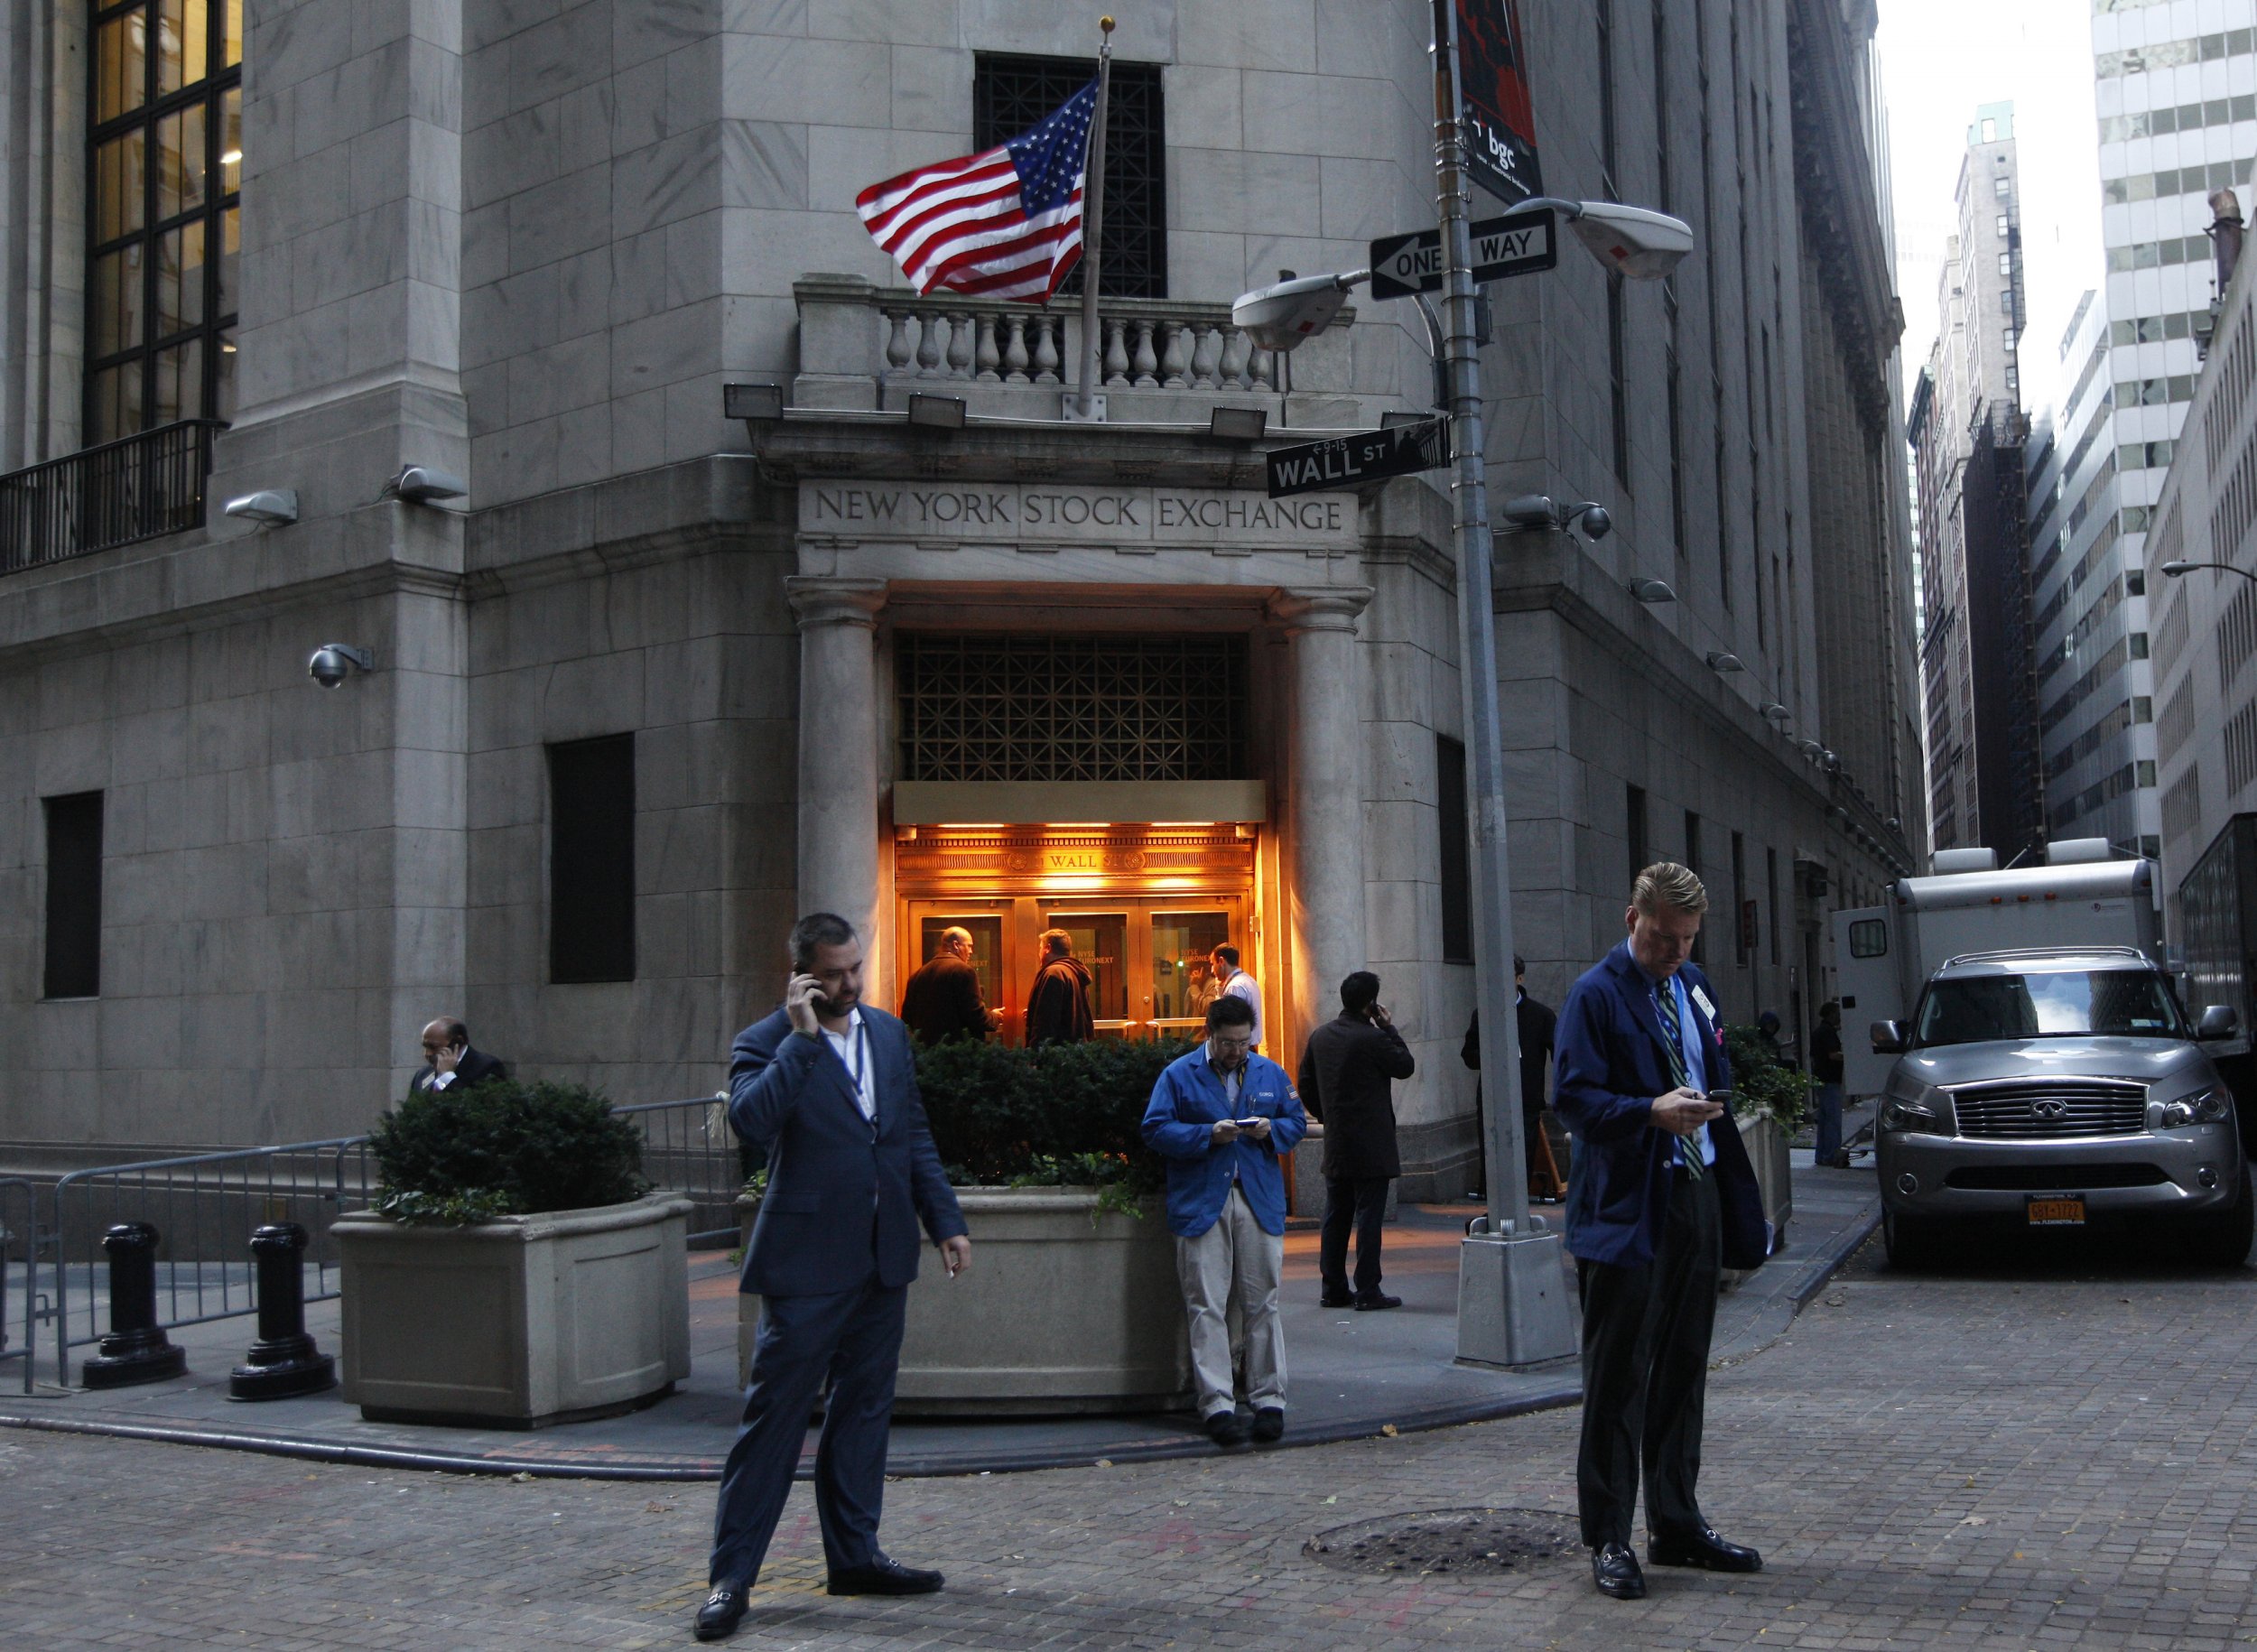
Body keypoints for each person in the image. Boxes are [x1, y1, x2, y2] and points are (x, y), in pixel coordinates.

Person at [696, 914, 971, 1643]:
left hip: (883, 1258)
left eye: (856, 968)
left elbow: (911, 1132)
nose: (850, 984)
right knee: (775, 1423)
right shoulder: (765, 1042)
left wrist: (944, 1220)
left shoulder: (887, 1033)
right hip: (806, 1263)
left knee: (864, 1414)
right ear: (801, 975)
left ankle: (855, 1556)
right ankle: (731, 1579)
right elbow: (753, 1125)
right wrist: (801, 1040)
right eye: (834, 974)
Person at [1553, 862, 1773, 1602]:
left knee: (1683, 1367)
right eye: (1660, 938)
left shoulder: (1693, 984)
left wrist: (1706, 1106)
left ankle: (1676, 1521)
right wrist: (1649, 1112)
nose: (1673, 952)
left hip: (1694, 1192)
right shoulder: (1595, 995)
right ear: (1630, 920)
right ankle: (1609, 1537)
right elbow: (1573, 1099)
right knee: (1618, 1378)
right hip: (1626, 1206)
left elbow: (1715, 1065)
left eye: (1684, 940)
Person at [1140, 994, 1307, 1448]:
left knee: (1263, 1302)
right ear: (1209, 1036)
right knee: (1206, 1305)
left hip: (1257, 1199)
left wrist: (1272, 1130)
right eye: (1229, 1043)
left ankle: (1269, 1399)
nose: (1238, 1051)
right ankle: (1217, 1404)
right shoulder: (1177, 1075)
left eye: (1244, 1042)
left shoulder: (1269, 1071)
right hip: (1202, 1202)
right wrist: (1205, 1135)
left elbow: (1296, 1120)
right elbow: (1154, 1129)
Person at [1297, 970, 1416, 1310]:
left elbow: (1305, 1083)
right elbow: (1405, 1065)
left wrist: (1327, 1116)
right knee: (1368, 1219)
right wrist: (1389, 1028)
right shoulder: (1373, 1038)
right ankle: (1367, 1290)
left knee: (1336, 1217)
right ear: (1371, 1004)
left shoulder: (1321, 1036)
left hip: (1338, 1141)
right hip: (1372, 1144)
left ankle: (1333, 1288)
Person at [1459, 956, 1563, 1200]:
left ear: (1519, 979)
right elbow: (1468, 1054)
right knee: (1491, 1149)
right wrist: (1491, 1055)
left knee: (1523, 1150)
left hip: (1527, 1095)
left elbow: (1560, 1053)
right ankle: (1491, 1197)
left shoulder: (1541, 1016)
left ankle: (1518, 1199)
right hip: (1492, 1095)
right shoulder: (1483, 1013)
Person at [897, 927, 996, 1046]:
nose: (971, 951)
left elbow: (907, 1020)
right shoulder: (964, 971)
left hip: (927, 1054)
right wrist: (994, 1017)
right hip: (958, 1052)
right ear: (956, 945)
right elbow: (976, 1017)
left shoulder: (917, 976)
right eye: (969, 946)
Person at [1025, 929, 1095, 1044]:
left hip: (1056, 1053)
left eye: (1040, 948)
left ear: (1048, 948)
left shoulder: (1053, 974)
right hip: (1074, 1051)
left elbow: (1047, 1022)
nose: (1039, 953)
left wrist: (1037, 1051)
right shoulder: (1075, 972)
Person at [407, 1018, 506, 1100]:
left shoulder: (487, 1067)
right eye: (425, 1047)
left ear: (457, 1042)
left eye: (434, 1047)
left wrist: (447, 1076)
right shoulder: (423, 1074)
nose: (427, 1053)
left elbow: (473, 1110)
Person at [1811, 1001, 1847, 1168]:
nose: (1840, 1016)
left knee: (1825, 1120)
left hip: (1821, 1079)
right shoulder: (1828, 1033)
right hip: (1830, 1080)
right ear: (1831, 1014)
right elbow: (1833, 1055)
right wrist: (1850, 1054)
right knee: (1833, 1120)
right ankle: (1832, 1155)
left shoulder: (1819, 1032)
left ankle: (1822, 1155)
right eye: (1838, 1013)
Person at [1211, 943, 1263, 1048]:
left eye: (1212, 964)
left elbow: (1231, 1026)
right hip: (1248, 1046)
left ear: (1221, 961)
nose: (1212, 970)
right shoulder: (1248, 980)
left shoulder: (1235, 987)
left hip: (1239, 1050)